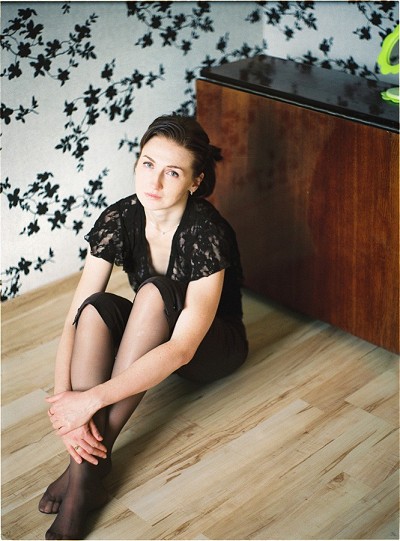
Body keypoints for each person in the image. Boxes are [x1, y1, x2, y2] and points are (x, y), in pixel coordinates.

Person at [40, 114, 248, 540]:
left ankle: (82, 479)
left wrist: (92, 400)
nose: (154, 181)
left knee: (154, 292)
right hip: (159, 334)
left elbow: (183, 349)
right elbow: (73, 318)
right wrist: (66, 408)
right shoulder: (120, 217)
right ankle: (87, 471)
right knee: (95, 309)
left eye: (172, 172)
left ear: (194, 182)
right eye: (148, 164)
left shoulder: (207, 232)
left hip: (210, 348)